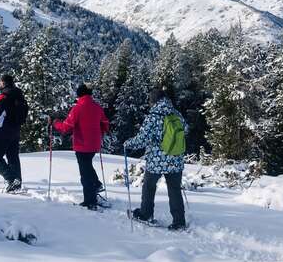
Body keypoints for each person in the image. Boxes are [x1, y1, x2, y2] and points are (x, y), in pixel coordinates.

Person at [124, 88, 188, 231]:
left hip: (157, 161)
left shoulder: (153, 116)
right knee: (174, 189)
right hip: (176, 159)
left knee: (149, 186)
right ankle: (179, 221)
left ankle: (145, 214)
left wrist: (128, 144)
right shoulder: (176, 113)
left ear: (154, 100)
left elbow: (142, 139)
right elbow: (186, 129)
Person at [53, 84, 109, 211]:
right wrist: (100, 131)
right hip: (94, 144)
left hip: (82, 145)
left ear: (79, 95)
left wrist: (55, 123)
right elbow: (105, 123)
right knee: (87, 166)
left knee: (85, 173)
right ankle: (96, 185)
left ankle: (90, 201)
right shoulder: (97, 107)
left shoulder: (78, 108)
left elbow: (66, 127)